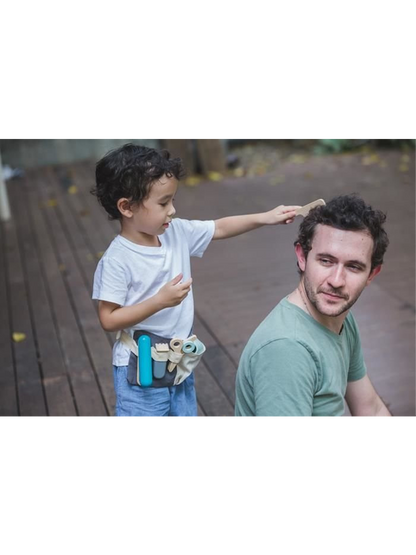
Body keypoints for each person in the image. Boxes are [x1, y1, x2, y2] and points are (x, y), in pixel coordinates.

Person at [91, 143, 300, 419]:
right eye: (164, 203)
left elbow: (220, 227)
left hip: (178, 366)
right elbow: (108, 319)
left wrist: (266, 217)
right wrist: (158, 302)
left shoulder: (175, 233)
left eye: (173, 200)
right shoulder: (118, 260)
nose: (173, 210)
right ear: (126, 207)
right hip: (139, 372)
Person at [235, 194, 392, 419]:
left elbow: (371, 410)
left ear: (372, 274)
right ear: (302, 256)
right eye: (326, 261)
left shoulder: (341, 317)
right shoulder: (286, 348)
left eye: (354, 267)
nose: (336, 281)